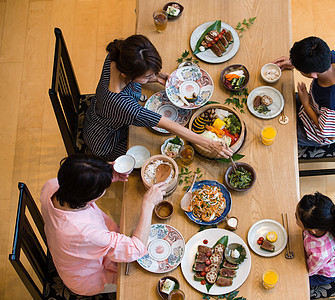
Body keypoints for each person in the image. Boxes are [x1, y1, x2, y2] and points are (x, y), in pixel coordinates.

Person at [83, 34, 232, 161]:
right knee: (156, 155)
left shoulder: (117, 56)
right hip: (106, 141)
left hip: (98, 114)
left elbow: (139, 71)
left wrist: (157, 77)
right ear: (127, 74)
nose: (153, 77)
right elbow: (166, 124)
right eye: (147, 76)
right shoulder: (120, 103)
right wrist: (209, 144)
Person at [40, 154, 166, 296]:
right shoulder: (84, 233)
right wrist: (148, 205)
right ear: (89, 196)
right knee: (145, 283)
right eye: (102, 189)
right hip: (87, 278)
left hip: (70, 253)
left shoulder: (52, 186)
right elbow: (135, 249)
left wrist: (101, 175)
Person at [273, 37, 335, 147]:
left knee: (280, 133)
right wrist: (295, 62)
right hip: (316, 106)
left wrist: (306, 104)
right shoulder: (334, 57)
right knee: (279, 99)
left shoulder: (332, 102)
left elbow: (330, 135)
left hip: (321, 130)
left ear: (313, 75)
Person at [295, 192, 335, 286]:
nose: (295, 218)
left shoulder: (320, 254)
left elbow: (307, 270)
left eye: (296, 217)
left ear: (312, 230)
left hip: (324, 274)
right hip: (327, 258)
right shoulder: (326, 220)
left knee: (296, 282)